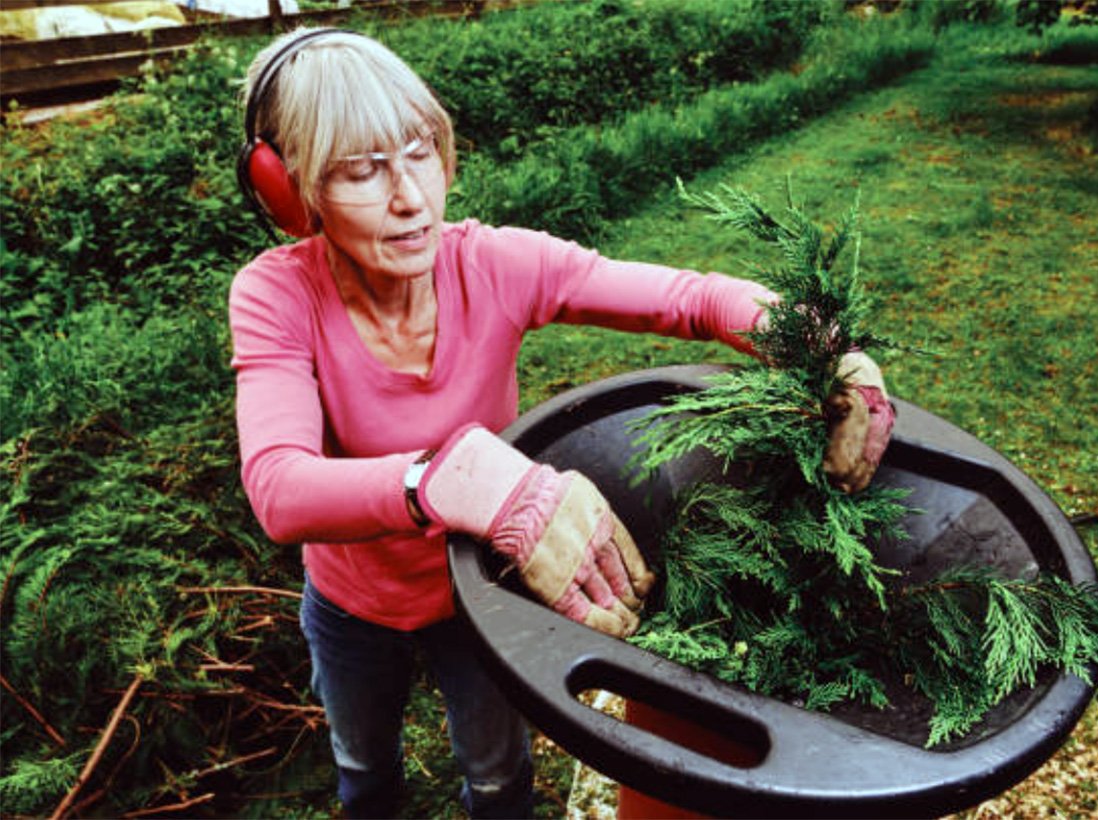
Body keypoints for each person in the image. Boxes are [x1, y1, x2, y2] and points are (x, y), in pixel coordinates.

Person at [228, 27, 894, 820]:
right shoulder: (278, 295)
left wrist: (829, 348)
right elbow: (279, 489)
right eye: (360, 171)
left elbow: (693, 297)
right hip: (350, 605)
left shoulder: (495, 264)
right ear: (290, 190)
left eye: (418, 151)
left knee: (498, 777)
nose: (410, 197)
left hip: (478, 593)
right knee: (363, 770)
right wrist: (448, 477)